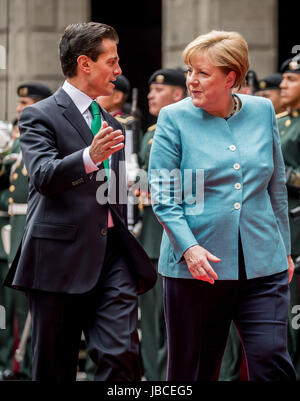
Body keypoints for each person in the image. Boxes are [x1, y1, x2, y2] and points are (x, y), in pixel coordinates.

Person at [4, 21, 156, 382]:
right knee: (54, 365)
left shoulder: (113, 125)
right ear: (85, 64)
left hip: (112, 257)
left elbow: (114, 195)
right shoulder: (38, 115)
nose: (119, 72)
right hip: (59, 256)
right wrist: (88, 156)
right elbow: (42, 177)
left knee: (120, 356)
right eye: (112, 62)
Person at [149, 30, 296, 381]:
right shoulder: (173, 118)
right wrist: (189, 248)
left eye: (202, 73)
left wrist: (285, 250)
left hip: (264, 265)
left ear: (231, 77)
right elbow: (164, 196)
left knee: (272, 359)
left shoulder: (262, 111)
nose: (192, 81)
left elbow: (275, 187)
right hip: (197, 269)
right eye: (189, 71)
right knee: (193, 371)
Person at [0, 84, 52, 380]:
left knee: (29, 309)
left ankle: (28, 367)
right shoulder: (18, 142)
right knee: (13, 307)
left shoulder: (38, 138)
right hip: (15, 226)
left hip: (31, 225)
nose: (19, 109)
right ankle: (16, 364)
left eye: (24, 102)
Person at [138, 68, 186, 381]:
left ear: (177, 95)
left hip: (172, 235)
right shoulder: (149, 132)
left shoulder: (184, 126)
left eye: (159, 90)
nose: (150, 95)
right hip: (149, 236)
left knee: (173, 320)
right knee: (151, 322)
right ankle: (154, 378)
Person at [277, 57, 300, 379]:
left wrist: (286, 174)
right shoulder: (281, 121)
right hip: (282, 229)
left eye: (292, 79)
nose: (283, 84)